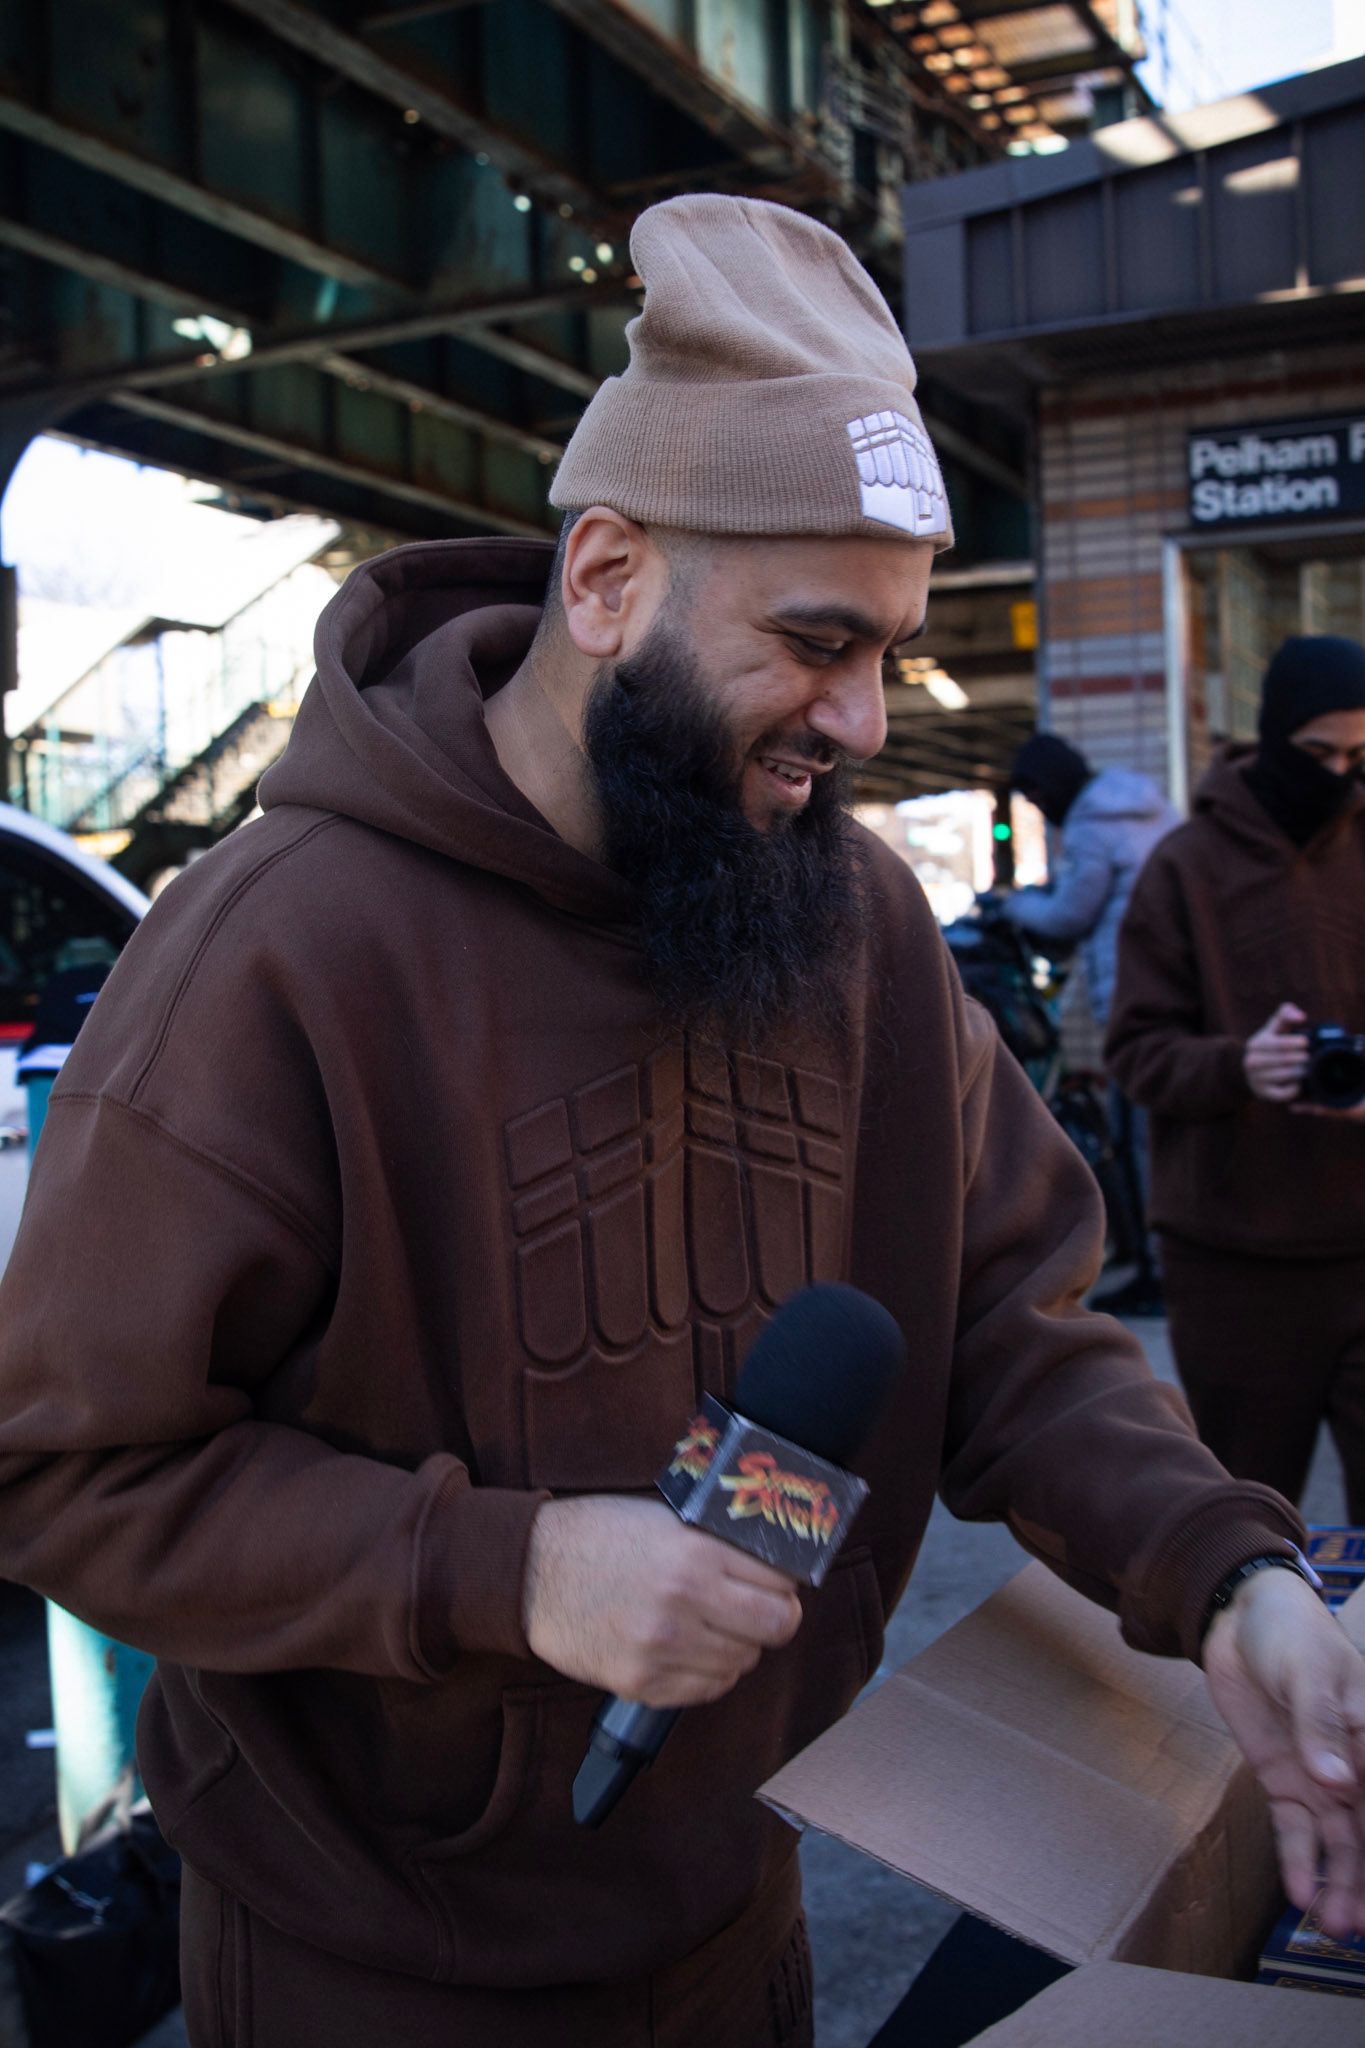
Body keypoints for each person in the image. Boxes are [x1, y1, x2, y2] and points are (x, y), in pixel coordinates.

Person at [0, 199, 1361, 2048]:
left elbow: (1016, 1342)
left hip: (746, 1925)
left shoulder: (858, 921)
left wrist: (1230, 1567)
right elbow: (70, 1468)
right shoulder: (276, 952)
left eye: (889, 648)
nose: (867, 719)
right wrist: (514, 1567)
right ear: (608, 576)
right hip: (372, 1979)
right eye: (814, 642)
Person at [1107, 634, 1365, 1528]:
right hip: (1234, 1261)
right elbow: (1135, 1052)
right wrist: (1239, 1066)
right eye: (1318, 753)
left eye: (1356, 757)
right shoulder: (1185, 867)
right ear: (1274, 736)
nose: (1336, 774)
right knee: (1249, 1529)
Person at [1001, 733, 1179, 1315]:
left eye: (1033, 794)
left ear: (1051, 785)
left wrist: (1012, 904)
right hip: (1179, 993)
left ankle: (1157, 1274)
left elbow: (1071, 914)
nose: (1035, 806)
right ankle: (1168, 1262)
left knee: (1136, 1139)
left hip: (1136, 1003)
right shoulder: (1147, 807)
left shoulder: (1090, 823)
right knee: (1162, 1137)